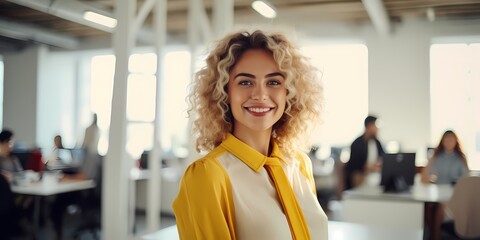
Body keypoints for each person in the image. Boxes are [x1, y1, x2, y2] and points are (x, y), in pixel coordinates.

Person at [172, 30, 328, 239]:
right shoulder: (208, 176)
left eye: (273, 82)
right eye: (245, 82)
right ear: (224, 92)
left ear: (289, 92)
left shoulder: (299, 164)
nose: (260, 95)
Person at [421, 130, 469, 240]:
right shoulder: (438, 157)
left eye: (451, 140)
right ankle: (432, 235)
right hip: (438, 194)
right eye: (446, 140)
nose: (448, 142)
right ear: (442, 142)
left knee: (441, 208)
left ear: (455, 142)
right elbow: (424, 178)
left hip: (454, 195)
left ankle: (435, 237)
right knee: (427, 207)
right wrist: (432, 157)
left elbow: (466, 180)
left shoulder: (460, 158)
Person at [344, 115, 385, 190]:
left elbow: (383, 157)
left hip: (375, 175)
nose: (377, 129)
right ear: (369, 126)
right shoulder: (357, 143)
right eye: (376, 126)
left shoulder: (377, 143)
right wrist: (370, 167)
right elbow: (354, 165)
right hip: (360, 175)